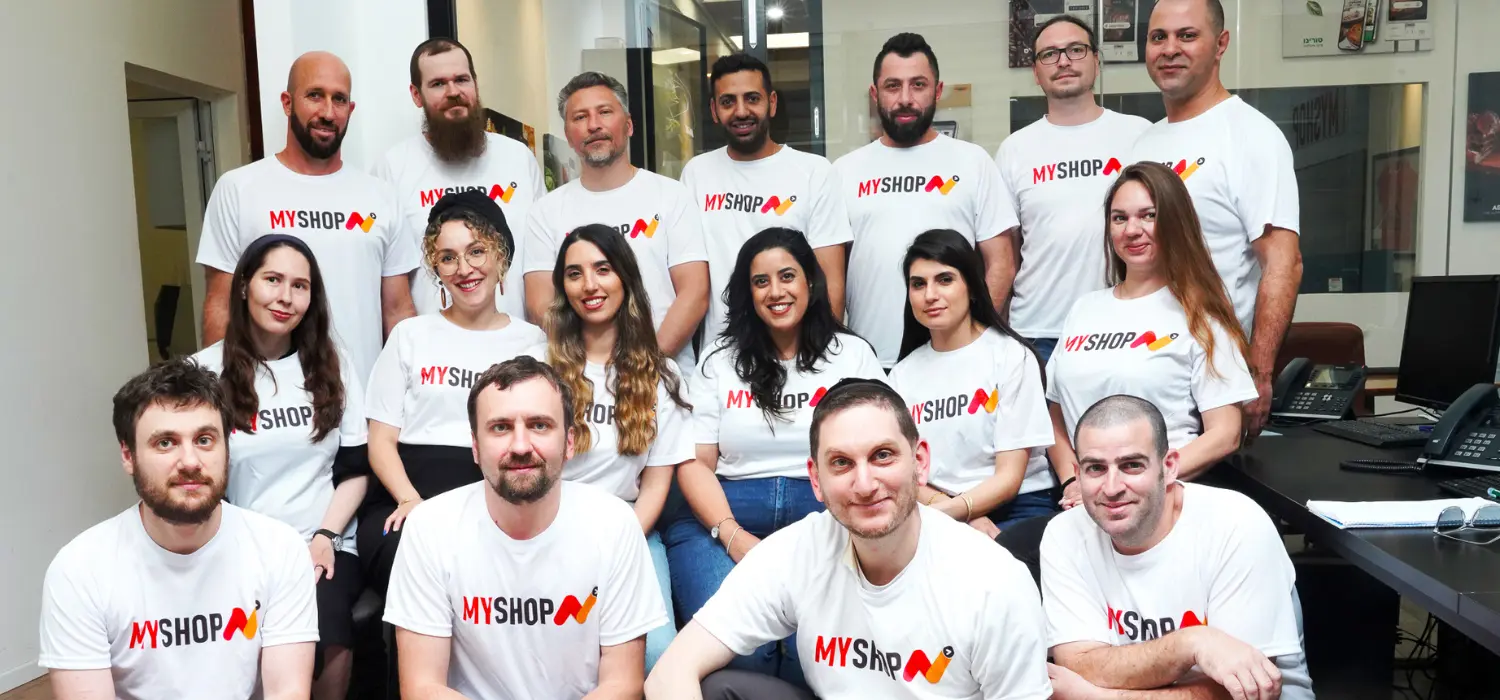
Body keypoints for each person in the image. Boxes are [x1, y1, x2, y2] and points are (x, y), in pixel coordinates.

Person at [646, 378, 1052, 700]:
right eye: (841, 463)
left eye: (882, 456)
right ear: (816, 480)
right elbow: (669, 673)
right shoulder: (798, 550)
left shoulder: (994, 582)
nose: (865, 483)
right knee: (719, 689)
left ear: (920, 462)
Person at [665, 227, 885, 683]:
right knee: (745, 652)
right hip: (723, 514)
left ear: (811, 281)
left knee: (814, 658)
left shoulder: (853, 356)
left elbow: (879, 451)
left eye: (787, 276)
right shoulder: (718, 361)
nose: (775, 291)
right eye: (760, 281)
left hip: (824, 516)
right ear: (748, 294)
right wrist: (733, 536)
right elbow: (695, 463)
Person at [384, 356, 667, 698]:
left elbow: (623, 683)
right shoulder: (430, 527)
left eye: (540, 425)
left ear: (570, 442)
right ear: (475, 446)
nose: (520, 446)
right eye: (500, 427)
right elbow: (422, 687)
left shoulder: (614, 524)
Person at [39, 359, 317, 700]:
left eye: (204, 439)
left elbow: (287, 692)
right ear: (128, 455)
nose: (190, 462)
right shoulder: (80, 570)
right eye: (165, 443)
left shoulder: (279, 549)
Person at [1042, 395, 1312, 700]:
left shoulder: (1236, 523)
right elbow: (1079, 664)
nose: (1112, 487)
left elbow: (1245, 691)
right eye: (1096, 468)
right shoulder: (1064, 534)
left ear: (1169, 467)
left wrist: (1095, 696)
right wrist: (1191, 643)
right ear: (1077, 474)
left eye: (1132, 465)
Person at [191, 234, 368, 700]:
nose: (286, 297)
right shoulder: (203, 372)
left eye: (300, 286)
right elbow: (195, 480)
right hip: (238, 546)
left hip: (323, 541)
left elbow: (355, 470)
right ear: (244, 285)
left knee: (328, 631)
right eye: (273, 280)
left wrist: (325, 537)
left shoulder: (335, 366)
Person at [357, 190, 546, 598]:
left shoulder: (533, 343)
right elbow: (381, 441)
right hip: (406, 497)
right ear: (435, 268)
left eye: (476, 251)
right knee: (416, 561)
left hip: (496, 500)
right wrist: (411, 501)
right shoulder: (409, 335)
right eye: (447, 257)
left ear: (500, 256)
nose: (464, 269)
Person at [1129, 0, 1304, 438]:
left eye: (1187, 36)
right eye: (1158, 37)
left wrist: (1259, 372)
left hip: (1212, 382)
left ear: (1221, 44)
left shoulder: (1251, 135)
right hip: (1143, 371)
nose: (1170, 49)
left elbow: (1283, 263)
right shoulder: (1144, 143)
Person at [197, 50, 418, 382]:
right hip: (268, 399)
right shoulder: (239, 189)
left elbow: (398, 311)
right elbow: (220, 305)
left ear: (350, 109)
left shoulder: (381, 197)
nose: (327, 112)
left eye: (339, 99)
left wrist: (406, 392)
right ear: (287, 103)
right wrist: (221, 392)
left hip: (362, 397)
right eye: (315, 95)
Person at [1047, 162, 1256, 502]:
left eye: (1148, 216)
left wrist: (1135, 482)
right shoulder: (1084, 309)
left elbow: (1225, 434)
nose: (1132, 230)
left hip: (1162, 501)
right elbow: (1054, 412)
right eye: (1119, 218)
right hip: (1083, 502)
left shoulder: (1202, 317)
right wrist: (1073, 481)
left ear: (1174, 221)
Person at [546, 223, 696, 670]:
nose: (589, 285)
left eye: (603, 269)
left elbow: (655, 485)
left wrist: (617, 544)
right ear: (563, 288)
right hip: (546, 532)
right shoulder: (538, 366)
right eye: (574, 274)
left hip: (629, 531)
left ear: (625, 278)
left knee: (658, 655)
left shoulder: (662, 375)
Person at [834, 33, 1017, 368]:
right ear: (875, 94)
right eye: (892, 86)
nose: (905, 98)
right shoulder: (844, 172)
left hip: (955, 357)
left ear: (937, 90)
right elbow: (830, 275)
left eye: (918, 85)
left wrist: (972, 338)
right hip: (870, 360)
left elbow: (1001, 263)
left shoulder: (973, 162)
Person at [523, 71, 709, 371]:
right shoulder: (545, 212)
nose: (593, 125)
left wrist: (647, 368)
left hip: (663, 374)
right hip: (579, 379)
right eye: (580, 117)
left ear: (629, 125)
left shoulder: (672, 196)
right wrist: (591, 370)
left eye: (605, 112)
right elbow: (540, 303)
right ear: (569, 136)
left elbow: (694, 292)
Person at [993, 16, 1151, 365]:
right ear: (1036, 72)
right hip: (1038, 332)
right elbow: (1006, 255)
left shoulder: (1139, 135)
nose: (1063, 61)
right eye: (1049, 54)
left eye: (1075, 50)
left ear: (1096, 60)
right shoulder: (1014, 150)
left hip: (1125, 325)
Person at [889, 230, 1055, 537]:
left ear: (973, 287)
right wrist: (958, 515)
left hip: (1018, 506)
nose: (930, 295)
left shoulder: (1011, 356)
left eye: (945, 280)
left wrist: (959, 512)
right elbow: (905, 472)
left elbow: (1010, 476)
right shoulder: (901, 375)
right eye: (918, 284)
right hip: (938, 508)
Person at [680, 53, 852, 338]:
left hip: (797, 348)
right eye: (728, 102)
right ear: (714, 110)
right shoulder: (696, 173)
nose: (741, 111)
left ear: (771, 103)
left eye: (752, 98)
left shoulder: (814, 172)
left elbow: (831, 281)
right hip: (722, 349)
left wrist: (821, 349)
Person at [373, 37, 546, 318]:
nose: (453, 92)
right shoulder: (393, 168)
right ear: (416, 95)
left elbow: (543, 265)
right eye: (438, 84)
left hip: (517, 339)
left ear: (475, 84)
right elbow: (392, 290)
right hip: (433, 343)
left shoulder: (518, 158)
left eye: (462, 80)